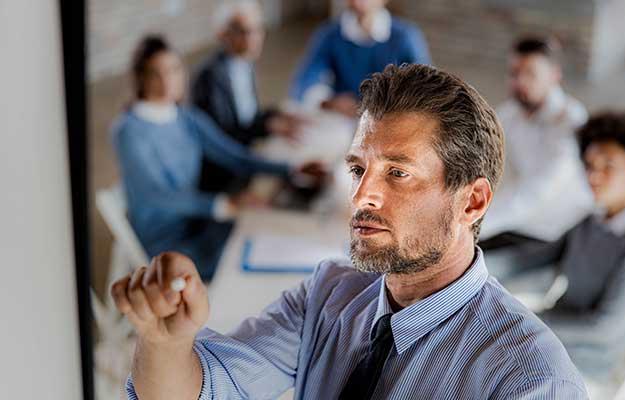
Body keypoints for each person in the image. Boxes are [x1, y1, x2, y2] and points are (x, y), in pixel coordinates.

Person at [112, 64, 588, 399]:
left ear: (473, 201)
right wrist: (165, 343)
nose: (361, 197)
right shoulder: (327, 294)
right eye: (359, 170)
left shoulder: (532, 380)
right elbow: (210, 389)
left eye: (397, 173)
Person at [112, 35, 324, 282]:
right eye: (154, 73)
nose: (166, 79)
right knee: (248, 258)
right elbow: (156, 195)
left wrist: (292, 169)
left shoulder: (187, 118)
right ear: (140, 78)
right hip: (168, 244)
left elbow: (236, 157)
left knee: (265, 231)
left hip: (200, 222)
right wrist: (221, 205)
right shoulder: (128, 130)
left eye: (173, 69)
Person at [487, 111, 625, 376]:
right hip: (548, 340)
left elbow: (604, 330)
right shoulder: (591, 223)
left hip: (584, 362)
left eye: (607, 166)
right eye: (589, 166)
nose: (593, 177)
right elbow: (526, 260)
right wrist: (467, 264)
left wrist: (522, 323)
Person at [479, 36, 592, 250]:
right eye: (514, 73)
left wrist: (477, 223)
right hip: (514, 218)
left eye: (530, 74)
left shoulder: (570, 121)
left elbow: (538, 191)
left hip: (554, 232)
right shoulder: (509, 113)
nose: (519, 81)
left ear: (554, 76)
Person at [191, 1, 307, 193]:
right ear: (223, 34)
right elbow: (221, 140)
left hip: (245, 158)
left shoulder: (245, 63)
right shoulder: (209, 78)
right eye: (244, 32)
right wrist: (267, 126)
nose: (254, 39)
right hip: (223, 174)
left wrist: (275, 116)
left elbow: (247, 119)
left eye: (258, 30)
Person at [289, 0, 431, 118]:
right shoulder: (330, 34)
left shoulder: (405, 36)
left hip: (388, 116)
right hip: (344, 117)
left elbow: (425, 84)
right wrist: (328, 102)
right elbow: (307, 78)